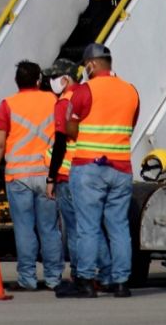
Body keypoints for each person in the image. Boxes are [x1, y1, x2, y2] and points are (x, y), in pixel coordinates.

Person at [60, 42, 140, 299]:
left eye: (86, 66)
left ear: (91, 65)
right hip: (121, 167)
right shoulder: (131, 91)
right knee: (118, 226)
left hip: (89, 167)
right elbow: (131, 124)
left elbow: (70, 130)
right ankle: (121, 282)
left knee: (88, 226)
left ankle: (84, 280)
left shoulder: (84, 91)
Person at [0, 61, 62, 292]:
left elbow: (0, 144)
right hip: (47, 174)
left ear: (17, 81)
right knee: (49, 228)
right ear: (39, 80)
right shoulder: (54, 101)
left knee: (24, 228)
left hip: (18, 176)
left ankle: (27, 279)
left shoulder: (7, 104)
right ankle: (54, 278)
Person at [45, 58, 107, 291]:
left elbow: (61, 142)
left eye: (55, 77)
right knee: (93, 226)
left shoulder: (64, 103)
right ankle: (105, 272)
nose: (51, 82)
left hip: (67, 174)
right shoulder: (86, 95)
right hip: (91, 169)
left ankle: (81, 274)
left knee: (74, 229)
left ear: (65, 78)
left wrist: (51, 177)